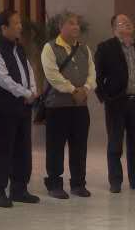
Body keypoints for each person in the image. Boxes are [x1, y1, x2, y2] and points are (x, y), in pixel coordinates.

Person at [0, 9, 39, 207]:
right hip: (2, 109)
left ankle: (19, 189)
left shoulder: (19, 47)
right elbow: (2, 78)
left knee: (22, 149)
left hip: (22, 107)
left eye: (20, 23)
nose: (20, 27)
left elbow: (29, 70)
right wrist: (25, 93)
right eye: (16, 23)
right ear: (3, 28)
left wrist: (32, 90)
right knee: (2, 151)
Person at [95, 13, 135, 194]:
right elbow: (97, 76)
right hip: (117, 103)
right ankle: (115, 181)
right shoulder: (106, 48)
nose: (127, 24)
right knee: (115, 143)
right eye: (122, 22)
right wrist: (106, 97)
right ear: (114, 28)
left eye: (129, 22)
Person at [41, 11, 96, 199]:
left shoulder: (84, 49)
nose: (76, 27)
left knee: (79, 146)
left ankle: (78, 183)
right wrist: (73, 90)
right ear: (61, 27)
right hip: (57, 107)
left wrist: (86, 89)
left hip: (80, 107)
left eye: (77, 23)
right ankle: (54, 184)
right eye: (71, 23)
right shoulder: (49, 48)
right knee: (55, 147)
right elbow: (52, 75)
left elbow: (92, 73)